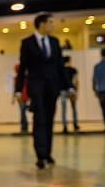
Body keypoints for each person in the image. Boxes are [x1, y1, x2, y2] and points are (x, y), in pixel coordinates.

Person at [15, 12, 75, 169]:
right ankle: (40, 155)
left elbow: (61, 67)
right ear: (41, 23)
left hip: (52, 87)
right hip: (36, 87)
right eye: (50, 22)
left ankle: (48, 153)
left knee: (49, 120)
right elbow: (22, 68)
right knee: (39, 119)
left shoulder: (54, 42)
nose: (52, 25)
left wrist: (70, 86)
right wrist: (18, 91)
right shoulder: (27, 43)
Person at [59, 56, 79, 133]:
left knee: (63, 109)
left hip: (62, 90)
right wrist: (76, 90)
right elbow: (76, 80)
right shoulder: (72, 70)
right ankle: (75, 123)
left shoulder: (60, 70)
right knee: (73, 107)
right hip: (71, 90)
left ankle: (65, 125)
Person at [14, 63, 30, 133]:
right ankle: (24, 125)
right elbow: (16, 88)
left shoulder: (25, 78)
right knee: (22, 111)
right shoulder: (16, 78)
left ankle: (24, 125)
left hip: (25, 96)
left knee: (22, 111)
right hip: (21, 96)